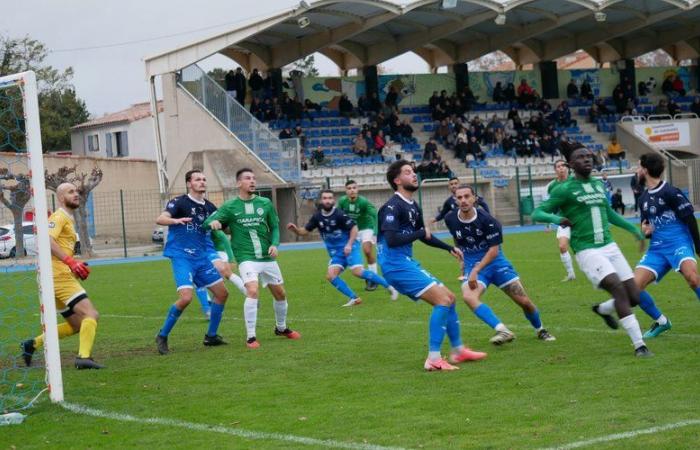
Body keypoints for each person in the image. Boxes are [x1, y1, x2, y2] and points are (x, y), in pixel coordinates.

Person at [532, 146, 652, 357]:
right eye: (580, 157)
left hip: (610, 246)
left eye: (588, 156)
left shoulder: (597, 184)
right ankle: (639, 345)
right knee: (617, 287)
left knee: (634, 296)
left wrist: (634, 230)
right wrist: (556, 219)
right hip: (587, 250)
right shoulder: (564, 189)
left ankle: (604, 309)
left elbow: (608, 213)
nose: (587, 160)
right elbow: (537, 212)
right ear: (571, 164)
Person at [377, 160, 487, 371]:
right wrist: (420, 233)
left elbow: (423, 236)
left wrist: (448, 248)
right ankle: (433, 359)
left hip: (405, 262)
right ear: (397, 180)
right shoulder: (392, 206)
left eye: (413, 171)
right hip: (394, 265)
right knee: (444, 300)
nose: (414, 174)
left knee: (450, 298)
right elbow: (392, 239)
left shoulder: (413, 205)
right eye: (408, 172)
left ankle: (458, 350)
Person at [596, 153, 700, 339]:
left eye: (638, 166)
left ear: (645, 170)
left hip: (678, 243)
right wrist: (646, 231)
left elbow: (690, 219)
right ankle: (661, 322)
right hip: (657, 249)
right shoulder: (643, 198)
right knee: (634, 289)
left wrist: (698, 246)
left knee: (692, 278)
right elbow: (646, 225)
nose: (637, 170)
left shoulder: (671, 192)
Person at [445, 185, 556, 345]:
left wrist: (476, 270)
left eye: (467, 196)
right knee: (469, 297)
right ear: (455, 200)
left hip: (496, 264)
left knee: (524, 302)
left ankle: (540, 329)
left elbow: (494, 251)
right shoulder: (450, 219)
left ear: (474, 198)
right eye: (459, 197)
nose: (463, 200)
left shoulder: (489, 221)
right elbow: (458, 238)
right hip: (473, 264)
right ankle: (502, 330)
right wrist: (463, 259)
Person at [204, 168, 300, 349]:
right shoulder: (229, 206)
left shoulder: (265, 203)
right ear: (239, 183)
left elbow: (275, 228)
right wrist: (213, 223)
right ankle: (251, 337)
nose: (253, 181)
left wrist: (274, 244)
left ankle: (281, 328)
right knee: (253, 290)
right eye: (248, 178)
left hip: (267, 257)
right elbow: (206, 223)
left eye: (254, 178)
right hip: (246, 257)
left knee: (280, 294)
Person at [20, 182, 103, 369]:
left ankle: (32, 344)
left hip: (56, 276)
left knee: (75, 325)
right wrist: (70, 262)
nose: (76, 195)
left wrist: (74, 265)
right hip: (58, 276)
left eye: (76, 192)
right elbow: (46, 240)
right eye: (70, 192)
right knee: (91, 314)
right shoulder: (59, 217)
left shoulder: (67, 218)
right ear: (60, 198)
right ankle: (84, 358)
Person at [153, 170, 229, 355]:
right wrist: (175, 220)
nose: (202, 182)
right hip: (182, 256)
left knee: (222, 294)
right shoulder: (179, 202)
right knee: (186, 298)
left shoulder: (210, 207)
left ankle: (211, 336)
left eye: (204, 179)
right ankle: (162, 335)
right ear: (189, 183)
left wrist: (219, 225)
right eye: (197, 179)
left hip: (201, 258)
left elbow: (222, 224)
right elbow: (160, 218)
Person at [287, 190, 398, 307]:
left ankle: (389, 286)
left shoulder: (339, 214)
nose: (327, 201)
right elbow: (304, 231)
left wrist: (349, 244)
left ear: (333, 200)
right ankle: (354, 298)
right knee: (331, 275)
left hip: (351, 247)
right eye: (325, 198)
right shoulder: (317, 217)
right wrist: (295, 230)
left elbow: (354, 229)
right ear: (320, 200)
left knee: (357, 272)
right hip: (337, 253)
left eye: (330, 198)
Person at [338, 180, 380, 291]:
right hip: (353, 230)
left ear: (358, 189)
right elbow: (339, 216)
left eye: (354, 188)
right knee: (352, 255)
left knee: (367, 251)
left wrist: (375, 233)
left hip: (367, 228)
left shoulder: (363, 202)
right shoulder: (342, 202)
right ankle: (367, 276)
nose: (352, 190)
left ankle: (374, 278)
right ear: (345, 191)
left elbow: (375, 215)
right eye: (349, 188)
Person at [544, 159, 576, 282]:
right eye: (558, 166)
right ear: (555, 170)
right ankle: (571, 274)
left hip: (580, 220)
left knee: (583, 249)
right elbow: (550, 206)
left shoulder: (575, 181)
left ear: (567, 168)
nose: (561, 168)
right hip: (564, 221)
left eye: (563, 165)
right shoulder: (552, 186)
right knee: (562, 246)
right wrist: (548, 223)